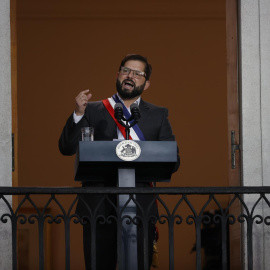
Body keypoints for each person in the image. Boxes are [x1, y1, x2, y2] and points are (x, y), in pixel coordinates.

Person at [59, 54, 180, 270]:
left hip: (140, 207)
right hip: (98, 205)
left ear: (147, 83)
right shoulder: (93, 110)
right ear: (117, 75)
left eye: (137, 73)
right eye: (125, 71)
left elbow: (173, 160)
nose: (130, 76)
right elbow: (67, 148)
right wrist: (78, 113)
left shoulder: (159, 115)